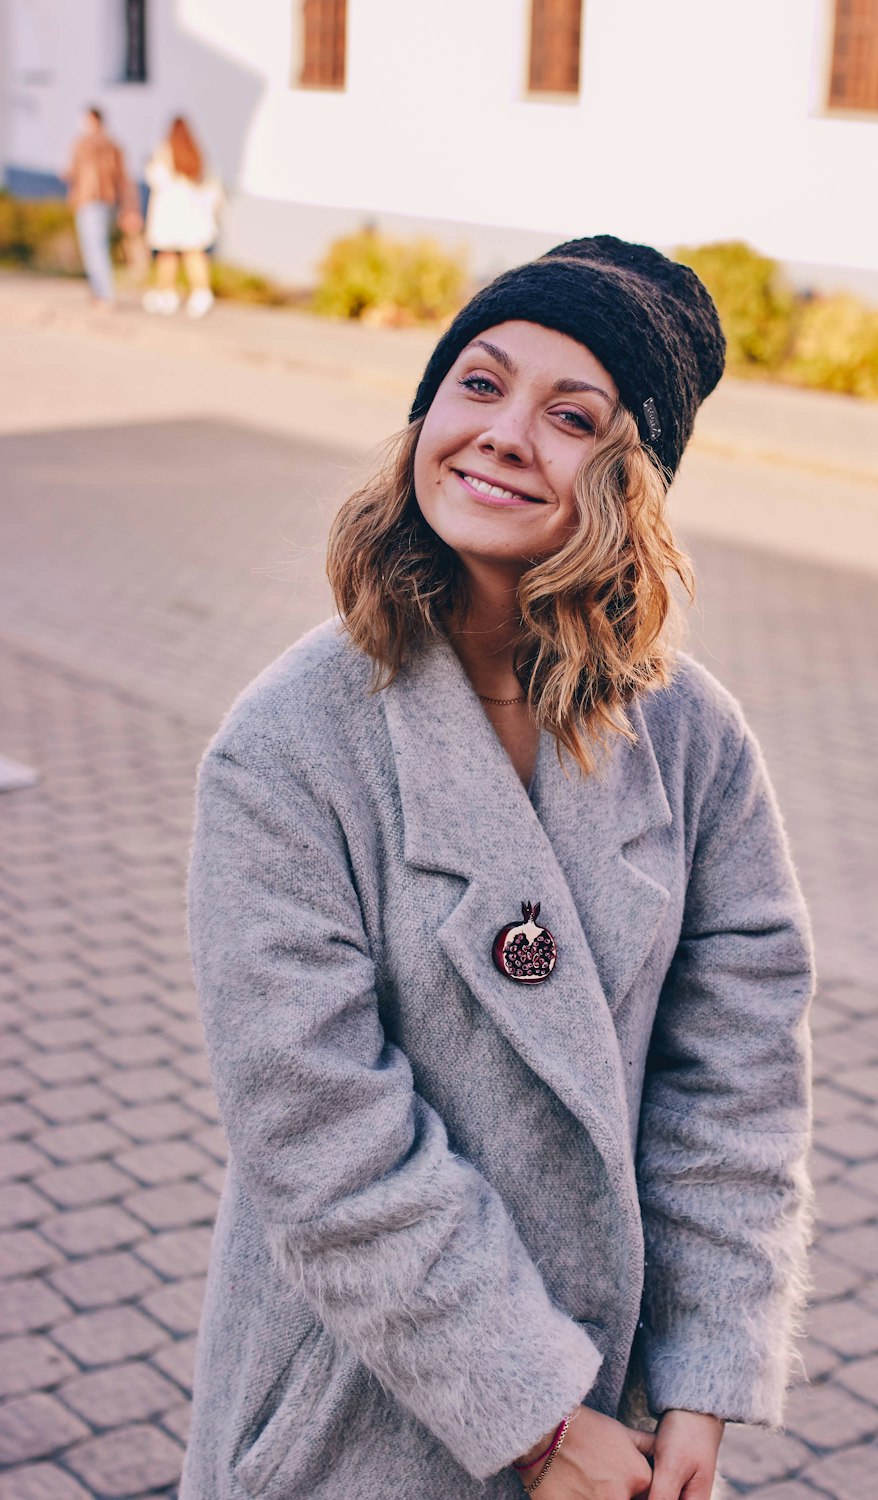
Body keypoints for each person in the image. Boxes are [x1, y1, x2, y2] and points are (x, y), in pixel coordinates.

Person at [184, 237, 814, 1500]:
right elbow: (320, 1135)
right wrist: (534, 1413)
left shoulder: (693, 741)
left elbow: (737, 1080)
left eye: (570, 415)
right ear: (424, 412)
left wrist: (701, 1374)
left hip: (618, 1418)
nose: (505, 434)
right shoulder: (289, 742)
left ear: (633, 482)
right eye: (479, 384)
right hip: (353, 1409)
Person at [142, 116, 220, 318]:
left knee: (167, 255)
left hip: (170, 213)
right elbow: (211, 186)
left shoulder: (164, 152)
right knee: (194, 254)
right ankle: (201, 293)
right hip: (193, 214)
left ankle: (166, 293)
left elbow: (156, 178)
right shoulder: (196, 152)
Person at [63, 106, 140, 309]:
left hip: (89, 199)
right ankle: (100, 292)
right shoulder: (113, 145)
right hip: (108, 200)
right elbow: (123, 178)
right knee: (98, 247)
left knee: (94, 248)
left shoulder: (84, 144)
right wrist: (128, 206)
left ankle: (104, 293)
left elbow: (73, 171)